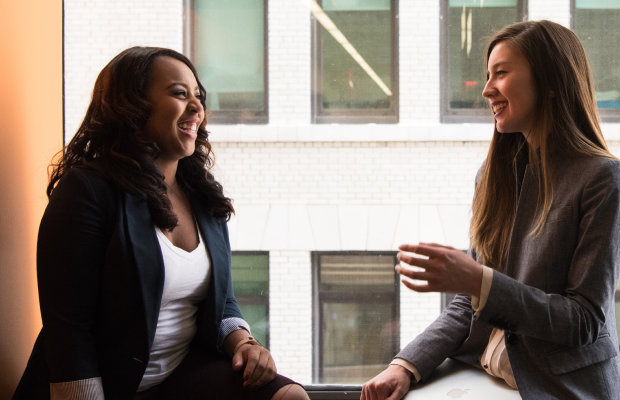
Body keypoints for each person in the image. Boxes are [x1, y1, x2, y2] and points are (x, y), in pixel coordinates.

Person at [12, 47, 309, 400]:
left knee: (288, 397)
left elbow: (222, 299)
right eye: (180, 94)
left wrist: (243, 342)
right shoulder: (87, 191)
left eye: (199, 96)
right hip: (99, 386)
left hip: (176, 377)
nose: (198, 107)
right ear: (131, 106)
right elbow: (69, 330)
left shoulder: (201, 196)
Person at [362, 20, 620, 400]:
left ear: (549, 79)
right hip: (489, 376)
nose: (486, 90)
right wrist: (405, 365)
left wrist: (480, 281)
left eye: (501, 73)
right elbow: (470, 303)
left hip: (562, 387)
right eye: (487, 75)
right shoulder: (493, 175)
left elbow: (583, 321)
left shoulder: (602, 178)